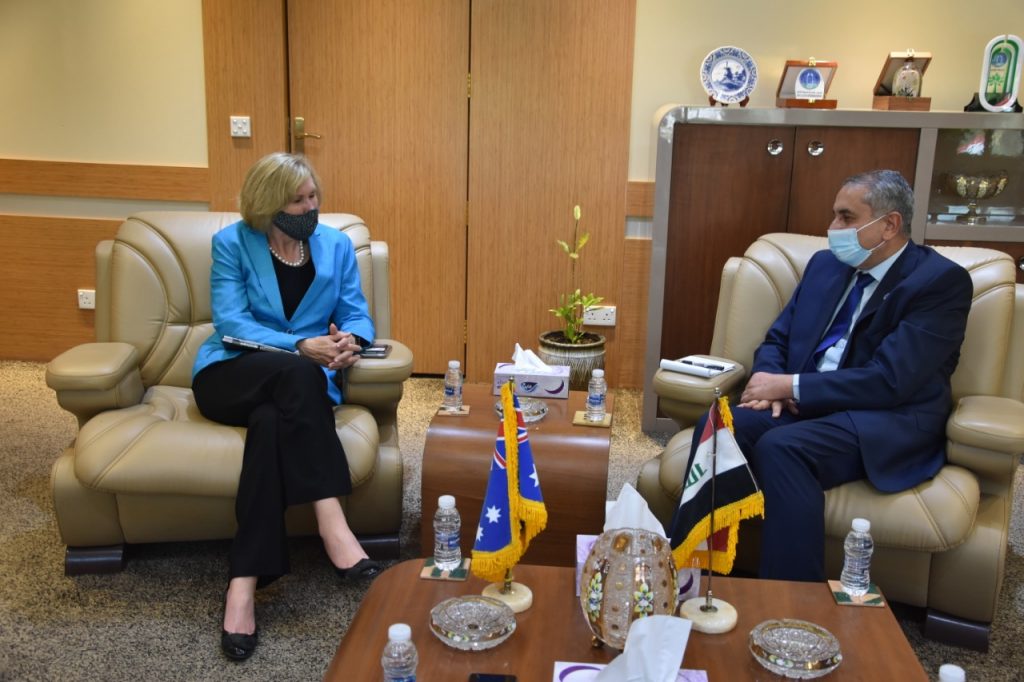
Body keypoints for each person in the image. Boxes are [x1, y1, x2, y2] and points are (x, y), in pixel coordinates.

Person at [670, 169, 973, 583]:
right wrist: (768, 382)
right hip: (803, 403)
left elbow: (891, 378)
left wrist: (792, 386)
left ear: (889, 225)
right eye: (834, 215)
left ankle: (791, 600)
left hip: (881, 417)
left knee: (783, 447)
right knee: (722, 426)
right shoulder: (825, 266)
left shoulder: (939, 282)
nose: (833, 228)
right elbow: (778, 338)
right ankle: (696, 576)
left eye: (846, 217)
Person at [191, 152, 382, 661]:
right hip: (231, 375)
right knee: (297, 373)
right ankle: (332, 523)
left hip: (295, 393)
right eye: (298, 200)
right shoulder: (232, 244)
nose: (310, 206)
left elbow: (356, 313)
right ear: (268, 203)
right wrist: (300, 346)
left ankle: (242, 586)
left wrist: (350, 342)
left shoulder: (335, 246)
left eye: (313, 195)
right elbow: (231, 322)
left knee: (271, 422)